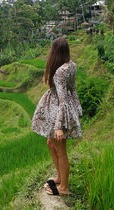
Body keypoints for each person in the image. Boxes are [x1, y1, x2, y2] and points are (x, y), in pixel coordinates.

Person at [31, 37, 82, 196]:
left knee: (61, 150)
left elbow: (62, 100)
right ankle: (60, 177)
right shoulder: (71, 65)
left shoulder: (60, 72)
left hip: (59, 113)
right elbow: (73, 90)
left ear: (55, 52)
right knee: (50, 143)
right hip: (62, 110)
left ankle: (64, 188)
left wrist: (59, 126)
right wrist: (78, 108)